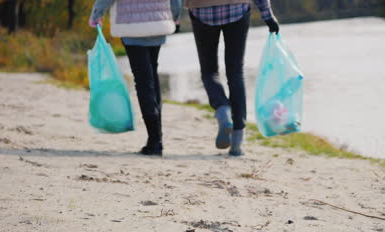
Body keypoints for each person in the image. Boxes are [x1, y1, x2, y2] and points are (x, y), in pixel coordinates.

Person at [186, 0, 279, 156]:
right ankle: (236, 144)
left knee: (209, 72)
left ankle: (222, 110)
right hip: (237, 9)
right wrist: (268, 16)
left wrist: (174, 18)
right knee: (235, 73)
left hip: (202, 11)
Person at [89, 0, 182, 156]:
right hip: (158, 22)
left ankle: (154, 140)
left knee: (144, 82)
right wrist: (175, 15)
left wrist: (96, 15)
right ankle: (156, 138)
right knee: (152, 76)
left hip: (130, 25)